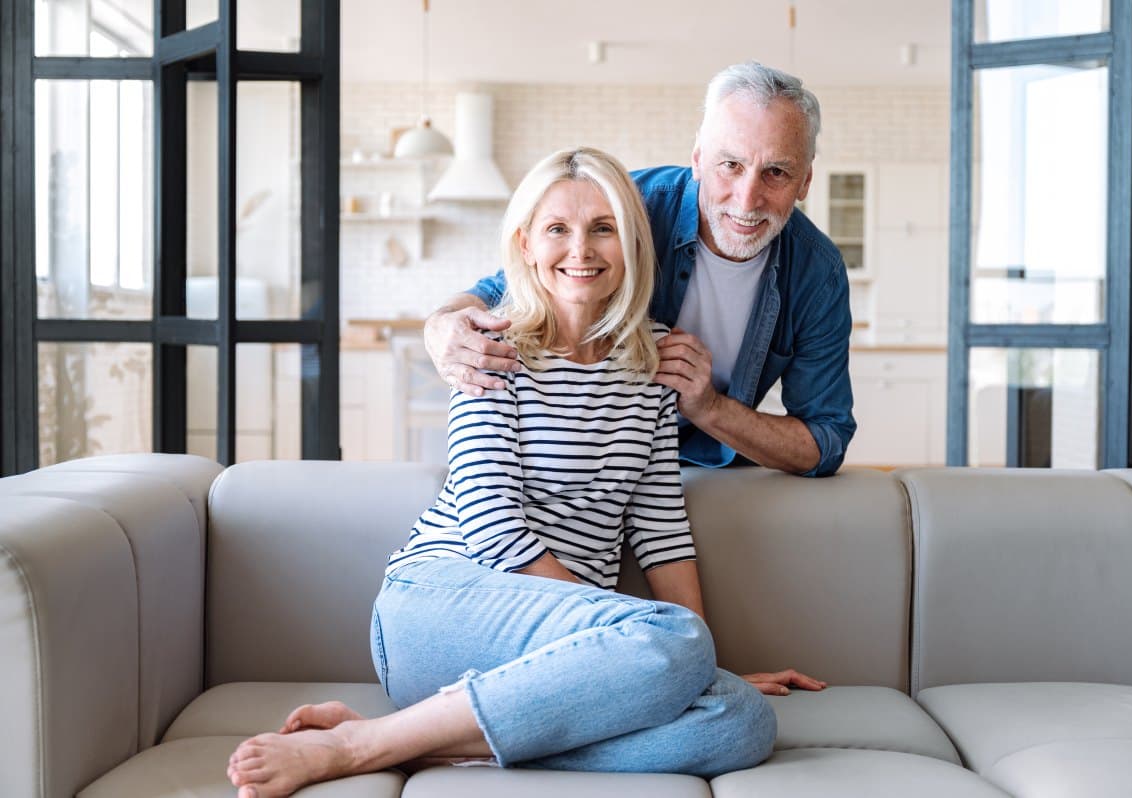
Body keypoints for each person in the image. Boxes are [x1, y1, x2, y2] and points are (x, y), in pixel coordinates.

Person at [226, 147, 824, 798]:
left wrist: (692, 664)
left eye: (603, 228)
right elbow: (492, 526)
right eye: (557, 228)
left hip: (559, 654)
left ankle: (426, 740)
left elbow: (660, 530)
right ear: (526, 245)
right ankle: (354, 747)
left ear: (632, 244)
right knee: (679, 643)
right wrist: (638, 637)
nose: (581, 249)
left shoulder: (655, 366)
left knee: (739, 723)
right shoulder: (490, 350)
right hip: (441, 606)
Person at [424, 61, 856, 477]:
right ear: (698, 157)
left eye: (776, 172)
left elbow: (825, 441)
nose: (747, 199)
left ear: (805, 181)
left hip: (701, 473)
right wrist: (440, 326)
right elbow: (509, 284)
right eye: (730, 165)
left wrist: (709, 407)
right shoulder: (628, 207)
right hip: (596, 463)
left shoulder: (817, 273)